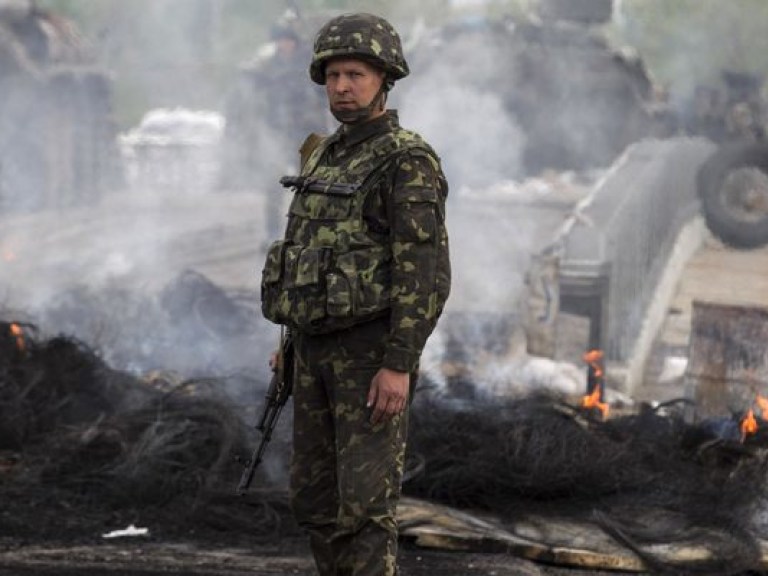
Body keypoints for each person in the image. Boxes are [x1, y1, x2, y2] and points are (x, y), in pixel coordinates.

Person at [259, 12, 451, 576]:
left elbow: (424, 272)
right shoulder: (321, 153)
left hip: (369, 358)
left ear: (384, 79)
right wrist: (289, 341)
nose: (342, 87)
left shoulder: (406, 159)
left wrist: (399, 363)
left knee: (365, 511)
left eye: (356, 75)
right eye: (334, 75)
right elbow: (305, 254)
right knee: (315, 503)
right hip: (313, 354)